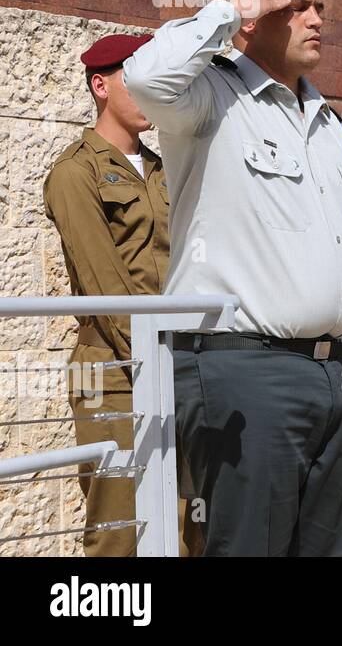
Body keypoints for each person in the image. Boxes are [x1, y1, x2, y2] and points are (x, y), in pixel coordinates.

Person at [123, 0, 342, 556]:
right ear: (255, 16)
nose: (316, 19)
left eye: (320, 7)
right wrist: (230, 11)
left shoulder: (328, 121)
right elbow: (145, 77)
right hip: (246, 368)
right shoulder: (210, 96)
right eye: (299, 6)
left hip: (334, 372)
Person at [44, 34, 202, 557]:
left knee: (186, 525)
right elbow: (103, 282)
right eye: (137, 81)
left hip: (177, 360)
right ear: (101, 85)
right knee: (120, 526)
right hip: (110, 369)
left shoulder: (167, 168)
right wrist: (156, 357)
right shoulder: (74, 173)